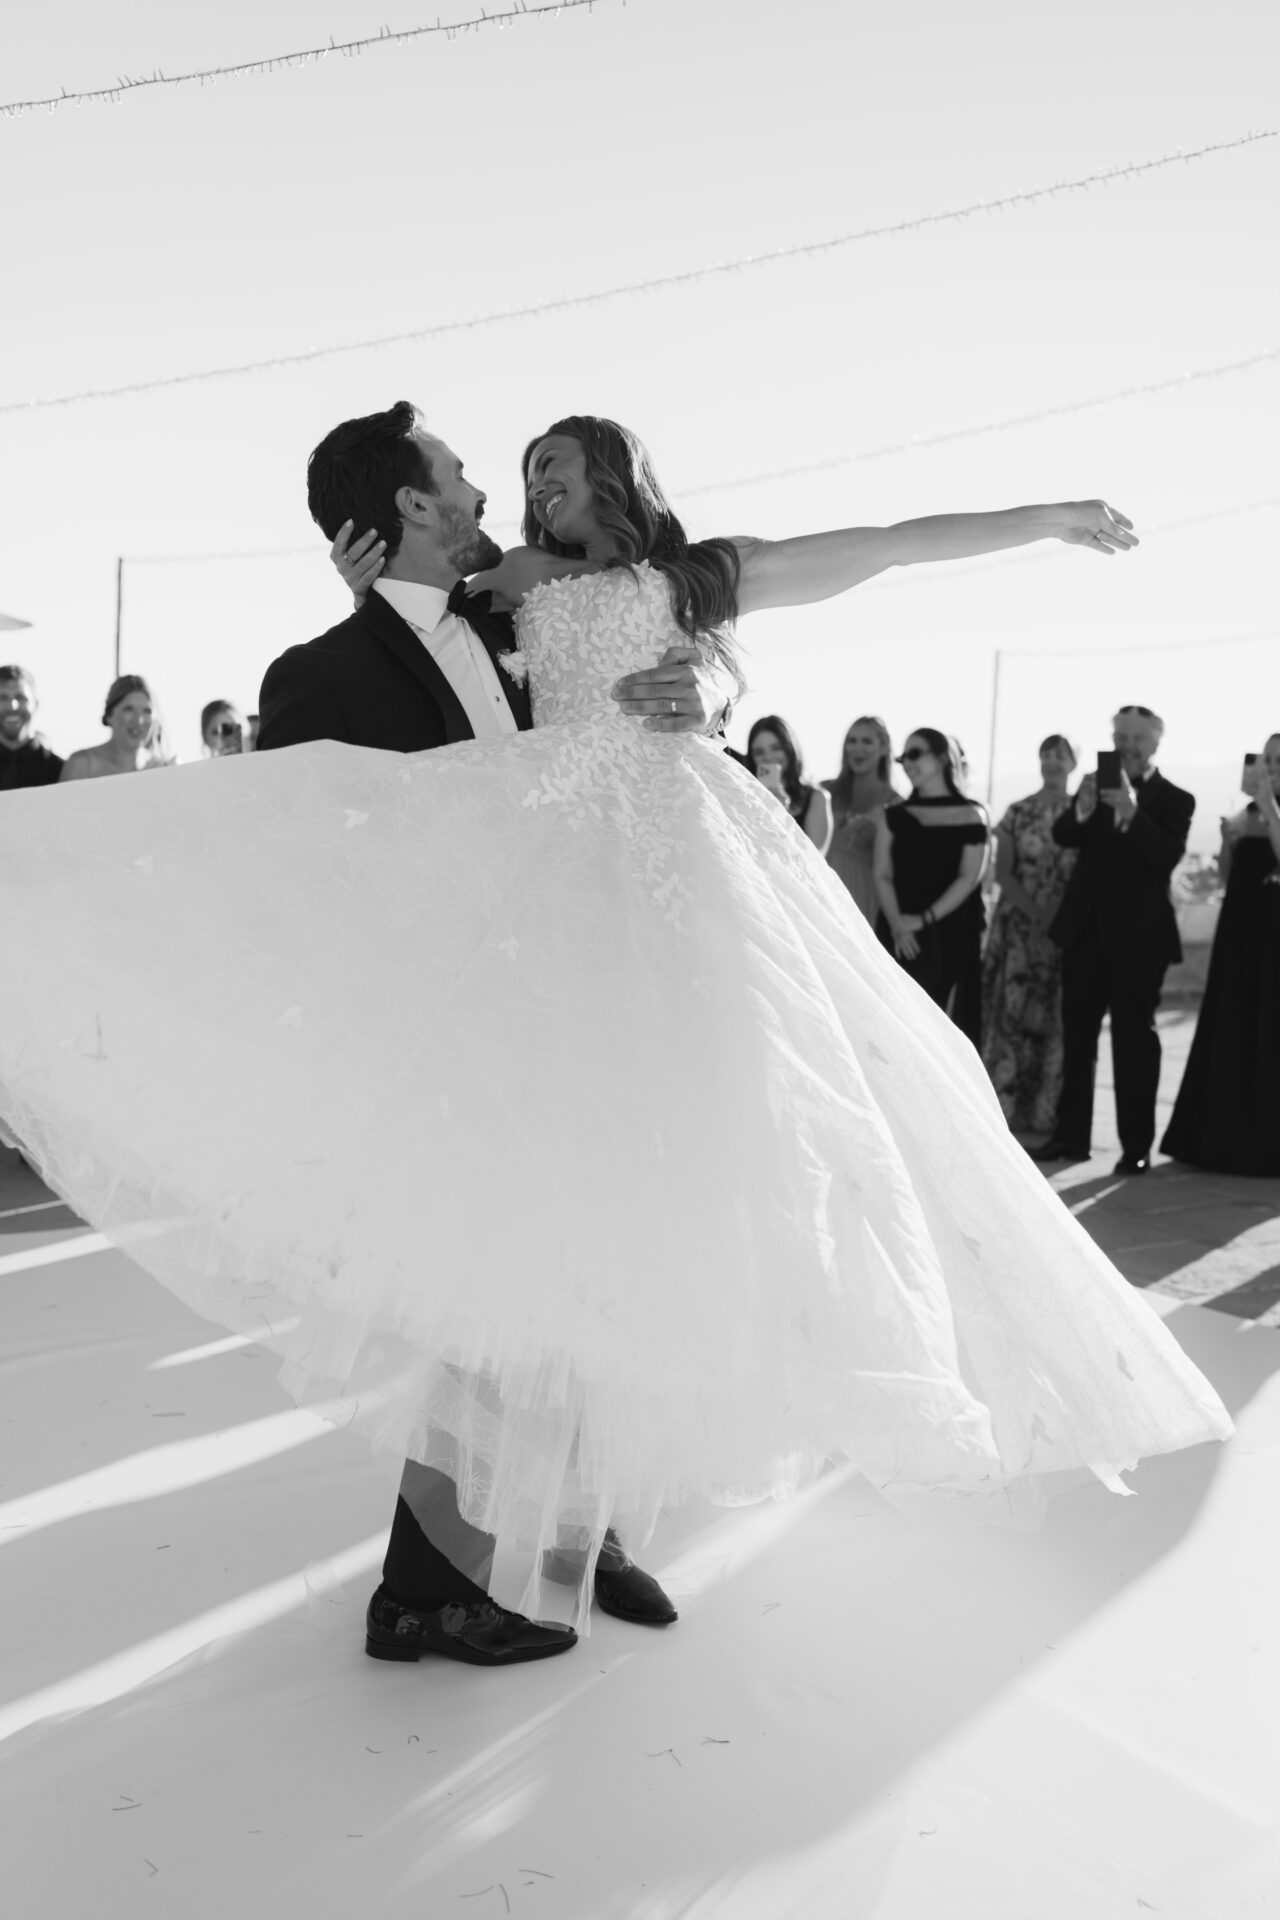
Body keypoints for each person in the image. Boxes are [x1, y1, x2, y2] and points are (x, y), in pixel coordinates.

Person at [0, 409, 1231, 1677]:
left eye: (549, 463)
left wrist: (1040, 522)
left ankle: (592, 1531)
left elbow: (886, 544)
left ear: (612, 472)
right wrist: (360, 574)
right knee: (528, 1246)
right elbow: (405, 606)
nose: (520, 484)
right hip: (543, 938)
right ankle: (443, 1579)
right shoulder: (505, 587)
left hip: (683, 913)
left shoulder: (705, 576)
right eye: (505, 471)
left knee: (651, 1216)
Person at [1031, 706, 1194, 1175]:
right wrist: (1083, 807)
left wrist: (1130, 810)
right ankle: (1070, 1137)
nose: (1126, 745)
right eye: (1119, 735)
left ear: (1155, 744)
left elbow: (1164, 857)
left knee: (1133, 1043)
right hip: (1085, 933)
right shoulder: (1093, 789)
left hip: (1140, 942)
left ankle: (1136, 1146)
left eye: (1136, 738)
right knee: (1077, 1038)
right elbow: (1064, 836)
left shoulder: (1176, 800)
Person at [1160, 736, 1280, 1175]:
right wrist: (1230, 840)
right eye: (1266, 758)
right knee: (1232, 1022)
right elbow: (1230, 877)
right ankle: (1217, 1137)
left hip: (1274, 938)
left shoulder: (1267, 812)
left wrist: (1270, 812)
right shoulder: (1247, 813)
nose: (1270, 766)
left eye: (1278, 760)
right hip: (1238, 934)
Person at [980, 734, 1078, 1133]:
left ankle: (1045, 1113)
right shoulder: (1018, 812)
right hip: (1020, 926)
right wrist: (1037, 913)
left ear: (1073, 763)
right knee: (1012, 1015)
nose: (1052, 763)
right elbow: (1003, 871)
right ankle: (1004, 1109)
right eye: (1046, 756)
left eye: (1060, 757)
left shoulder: (1082, 815)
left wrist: (1055, 916)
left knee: (1053, 1019)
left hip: (1064, 930)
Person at [873, 729, 989, 1041]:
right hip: (898, 933)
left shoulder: (973, 814)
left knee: (943, 1033)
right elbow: (881, 873)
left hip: (950, 933)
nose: (906, 763)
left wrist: (923, 920)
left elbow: (969, 877)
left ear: (941, 758)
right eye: (902, 757)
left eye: (915, 754)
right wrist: (899, 924)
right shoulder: (893, 816)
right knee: (894, 1027)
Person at [822, 715, 900, 921]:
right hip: (821, 897)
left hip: (863, 904)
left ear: (884, 748)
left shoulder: (896, 805)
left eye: (867, 741)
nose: (858, 748)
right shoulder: (824, 792)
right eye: (852, 741)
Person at [60, 674, 174, 781]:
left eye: (147, 711)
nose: (139, 721)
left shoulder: (160, 768)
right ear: (109, 715)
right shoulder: (82, 765)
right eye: (129, 709)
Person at [746, 714, 832, 852]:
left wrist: (781, 813)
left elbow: (814, 861)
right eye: (759, 752)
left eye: (776, 748)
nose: (768, 757)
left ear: (790, 748)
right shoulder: (745, 795)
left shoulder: (816, 798)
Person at [0, 665, 62, 790]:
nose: (13, 706)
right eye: (2, 698)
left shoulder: (59, 770)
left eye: (20, 698)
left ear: (35, 704)